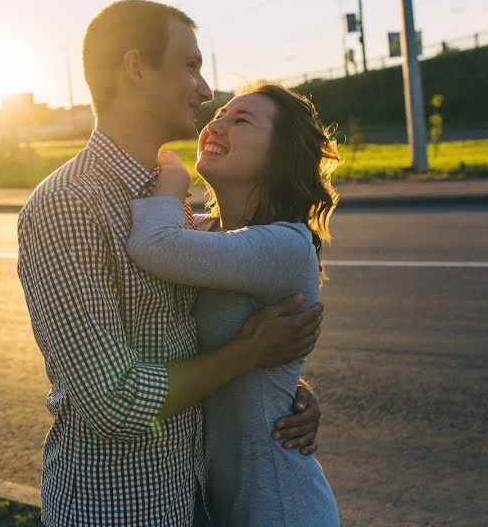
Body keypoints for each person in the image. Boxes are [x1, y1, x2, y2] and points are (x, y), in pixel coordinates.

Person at [16, 0, 324, 525]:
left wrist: (282, 388)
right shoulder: (68, 204)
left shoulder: (171, 204)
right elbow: (115, 401)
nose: (205, 91)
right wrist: (249, 355)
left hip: (195, 498)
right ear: (137, 68)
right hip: (119, 510)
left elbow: (193, 336)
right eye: (190, 66)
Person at [127, 81, 341, 525]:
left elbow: (153, 245)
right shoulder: (203, 232)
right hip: (217, 503)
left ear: (279, 157)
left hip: (280, 506)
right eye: (221, 114)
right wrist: (288, 387)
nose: (217, 124)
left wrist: (171, 177)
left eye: (241, 120)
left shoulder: (284, 244)